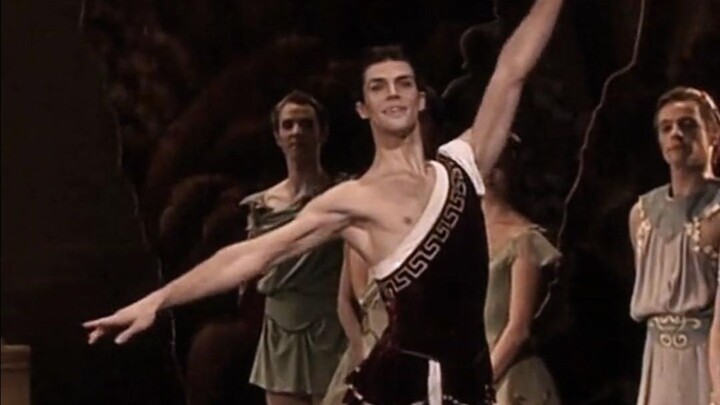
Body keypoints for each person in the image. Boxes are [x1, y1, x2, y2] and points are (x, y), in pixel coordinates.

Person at [84, 0, 564, 402]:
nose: (393, 94)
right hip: (397, 389)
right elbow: (255, 254)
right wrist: (161, 299)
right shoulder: (353, 199)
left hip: (467, 385)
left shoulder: (462, 165)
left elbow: (512, 71)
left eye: (403, 84)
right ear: (362, 109)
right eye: (378, 87)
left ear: (420, 99)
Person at [628, 87, 720, 405]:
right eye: (666, 128)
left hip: (707, 359)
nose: (676, 134)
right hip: (659, 361)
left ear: (713, 134)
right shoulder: (641, 215)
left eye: (688, 124)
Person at [482, 134, 562, 405]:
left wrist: (477, 385)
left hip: (508, 382)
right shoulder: (456, 236)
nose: (489, 174)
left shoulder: (523, 239)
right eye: (483, 163)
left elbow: (518, 329)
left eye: (499, 164)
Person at [321, 246, 388, 405]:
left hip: (400, 349)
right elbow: (343, 303)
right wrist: (359, 347)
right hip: (366, 345)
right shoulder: (352, 240)